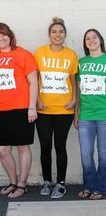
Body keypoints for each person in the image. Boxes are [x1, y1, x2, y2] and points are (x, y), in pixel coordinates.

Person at [0, 22, 38, 198]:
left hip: (21, 108)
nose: (0, 38)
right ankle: (13, 181)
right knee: (3, 150)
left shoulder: (23, 54)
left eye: (3, 34)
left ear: (10, 35)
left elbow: (33, 82)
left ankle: (22, 184)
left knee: (22, 148)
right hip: (1, 111)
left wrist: (32, 107)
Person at [34, 17, 78, 199]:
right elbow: (33, 80)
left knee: (60, 146)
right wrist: (36, 100)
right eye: (54, 32)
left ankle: (60, 183)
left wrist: (74, 99)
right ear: (49, 35)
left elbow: (74, 82)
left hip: (64, 110)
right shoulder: (39, 53)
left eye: (61, 32)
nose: (57, 35)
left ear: (65, 35)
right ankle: (46, 181)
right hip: (43, 109)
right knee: (45, 146)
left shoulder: (71, 55)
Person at [74, 29, 106, 200]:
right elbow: (78, 91)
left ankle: (100, 188)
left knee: (103, 155)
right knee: (85, 154)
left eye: (94, 37)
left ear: (100, 40)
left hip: (104, 115)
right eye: (88, 38)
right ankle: (89, 186)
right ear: (85, 43)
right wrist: (76, 113)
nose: (91, 40)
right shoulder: (81, 62)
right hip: (86, 115)